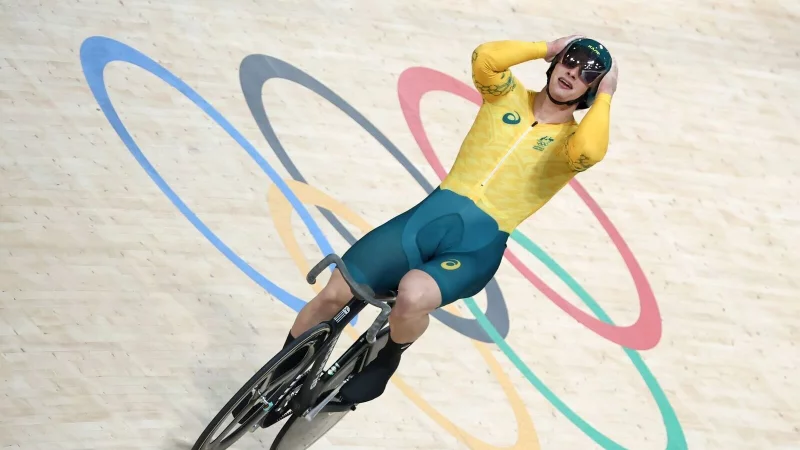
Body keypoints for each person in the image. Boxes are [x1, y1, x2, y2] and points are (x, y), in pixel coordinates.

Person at [279, 35, 617, 406]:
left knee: (412, 294)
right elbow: (485, 58)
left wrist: (606, 96)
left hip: (474, 248)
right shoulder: (505, 96)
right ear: (555, 63)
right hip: (422, 224)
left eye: (588, 74)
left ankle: (386, 358)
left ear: (590, 92)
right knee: (333, 293)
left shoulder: (572, 141)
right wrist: (546, 47)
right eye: (570, 61)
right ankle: (277, 378)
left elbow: (591, 149)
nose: (573, 72)